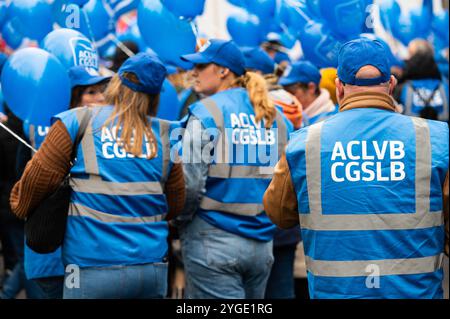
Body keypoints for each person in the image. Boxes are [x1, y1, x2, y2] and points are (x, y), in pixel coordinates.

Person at [263, 38, 449, 299]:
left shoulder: (305, 142)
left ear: (339, 88)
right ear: (392, 85)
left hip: (336, 293)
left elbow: (279, 214)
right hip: (415, 292)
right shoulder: (437, 139)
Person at [10, 52, 185, 299]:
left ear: (116, 84)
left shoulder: (77, 120)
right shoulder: (167, 134)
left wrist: (18, 204)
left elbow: (35, 184)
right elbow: (176, 204)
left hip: (90, 270)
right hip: (151, 270)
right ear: (156, 96)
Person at [175, 39, 293, 299]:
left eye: (201, 65)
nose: (193, 72)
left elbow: (189, 183)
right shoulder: (277, 117)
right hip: (262, 245)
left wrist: (179, 221)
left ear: (223, 71)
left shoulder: (207, 112)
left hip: (212, 240)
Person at [17, 66, 111, 299]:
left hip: (88, 257)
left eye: (101, 90)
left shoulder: (102, 136)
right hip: (54, 257)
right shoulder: (48, 133)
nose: (100, 98)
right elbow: (21, 188)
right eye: (90, 92)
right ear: (70, 97)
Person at [242, 46, 301, 298]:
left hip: (251, 220)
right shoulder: (289, 102)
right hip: (281, 221)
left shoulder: (248, 107)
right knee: (280, 289)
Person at [395, 39, 449, 122]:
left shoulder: (401, 87)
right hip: (443, 132)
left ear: (412, 56)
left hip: (411, 132)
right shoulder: (445, 84)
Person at [279, 61, 337, 126]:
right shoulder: (292, 117)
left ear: (311, 87)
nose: (287, 96)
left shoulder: (330, 121)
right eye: (283, 91)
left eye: (291, 91)